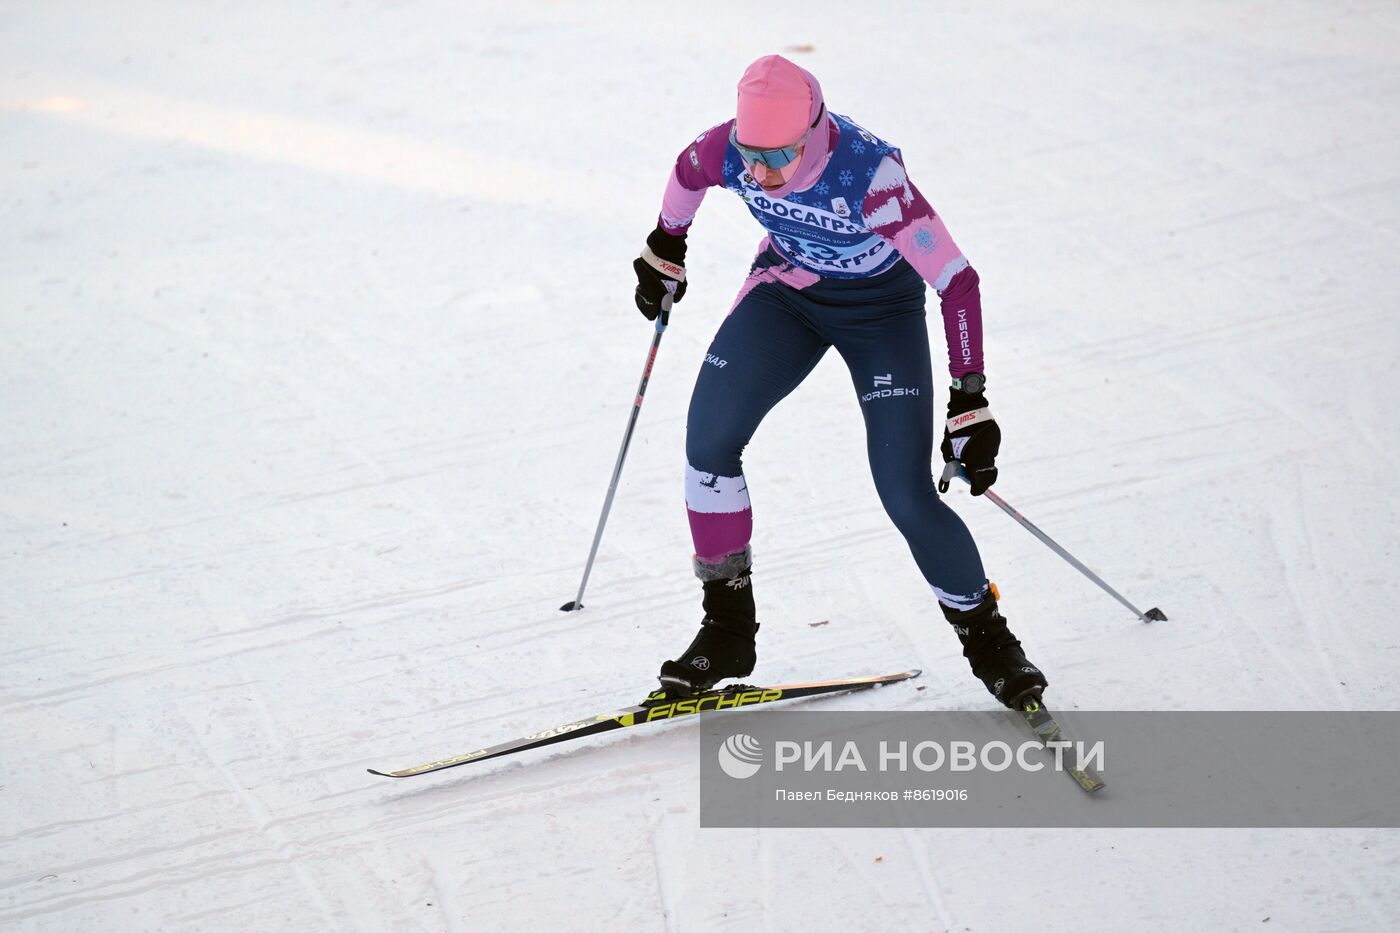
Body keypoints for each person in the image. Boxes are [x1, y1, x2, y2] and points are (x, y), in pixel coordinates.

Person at [632, 54, 1047, 709]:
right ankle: (727, 627)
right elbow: (688, 170)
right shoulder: (733, 152)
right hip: (788, 294)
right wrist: (666, 243)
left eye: (779, 157)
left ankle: (991, 643)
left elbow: (957, 281)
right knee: (708, 441)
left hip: (882, 313)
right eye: (750, 155)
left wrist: (971, 398)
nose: (761, 174)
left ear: (816, 133)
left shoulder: (870, 176)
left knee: (905, 493)